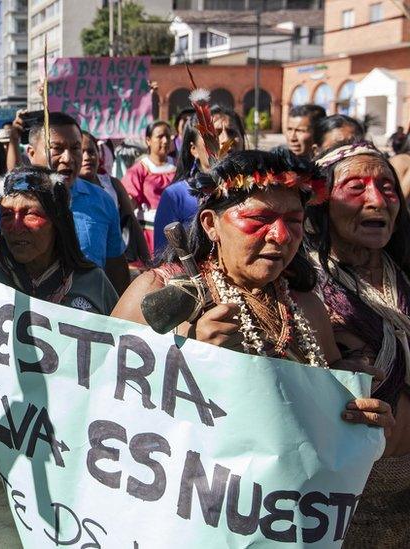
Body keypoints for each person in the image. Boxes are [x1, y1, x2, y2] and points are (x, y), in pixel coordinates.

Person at [111, 148, 392, 437]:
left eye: (294, 221)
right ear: (211, 224)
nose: (281, 236)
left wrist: (351, 400)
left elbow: (329, 390)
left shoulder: (306, 305)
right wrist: (188, 358)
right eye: (259, 218)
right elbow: (101, 394)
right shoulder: (157, 290)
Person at [0, 165, 119, 547]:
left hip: (80, 460)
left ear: (58, 220)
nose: (16, 226)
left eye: (30, 213)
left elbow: (121, 370)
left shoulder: (92, 283)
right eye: (6, 215)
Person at [306, 141, 410, 546]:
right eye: (355, 187)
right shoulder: (302, 286)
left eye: (387, 187)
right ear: (321, 203)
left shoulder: (402, 276)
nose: (376, 199)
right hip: (343, 496)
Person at [0, 111, 130, 295]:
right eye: (57, 148)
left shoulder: (102, 201)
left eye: (76, 148)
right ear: (31, 153)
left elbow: (116, 270)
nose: (68, 158)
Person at [152, 106, 246, 256]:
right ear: (194, 149)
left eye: (232, 132)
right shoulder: (175, 196)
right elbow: (164, 260)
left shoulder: (258, 190)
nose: (226, 139)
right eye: (214, 134)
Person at [80, 132, 148, 267]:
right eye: (81, 152)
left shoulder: (113, 184)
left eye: (91, 151)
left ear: (99, 154)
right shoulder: (68, 191)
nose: (87, 157)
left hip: (116, 260)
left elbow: (132, 222)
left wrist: (148, 261)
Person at [122, 121, 176, 256]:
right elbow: (129, 200)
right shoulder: (140, 169)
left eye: (168, 137)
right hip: (148, 233)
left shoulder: (177, 166)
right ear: (148, 140)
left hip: (175, 231)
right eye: (160, 136)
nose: (165, 141)